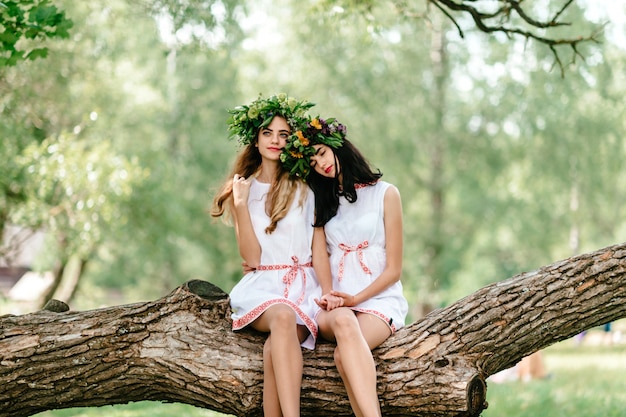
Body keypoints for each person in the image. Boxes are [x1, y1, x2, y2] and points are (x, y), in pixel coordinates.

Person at [211, 94, 330, 417]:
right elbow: (250, 256)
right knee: (280, 316)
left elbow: (319, 247)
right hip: (264, 286)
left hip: (304, 287)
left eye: (284, 135)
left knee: (271, 351)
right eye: (268, 133)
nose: (275, 141)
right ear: (255, 139)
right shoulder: (244, 189)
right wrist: (239, 204)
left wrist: (329, 291)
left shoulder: (306, 186)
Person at [282, 116, 409, 417]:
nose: (320, 164)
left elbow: (394, 270)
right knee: (343, 320)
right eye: (311, 162)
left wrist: (356, 299)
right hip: (335, 304)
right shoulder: (322, 201)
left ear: (337, 146)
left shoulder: (386, 194)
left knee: (343, 356)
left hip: (379, 300)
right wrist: (330, 294)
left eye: (322, 153)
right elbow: (320, 256)